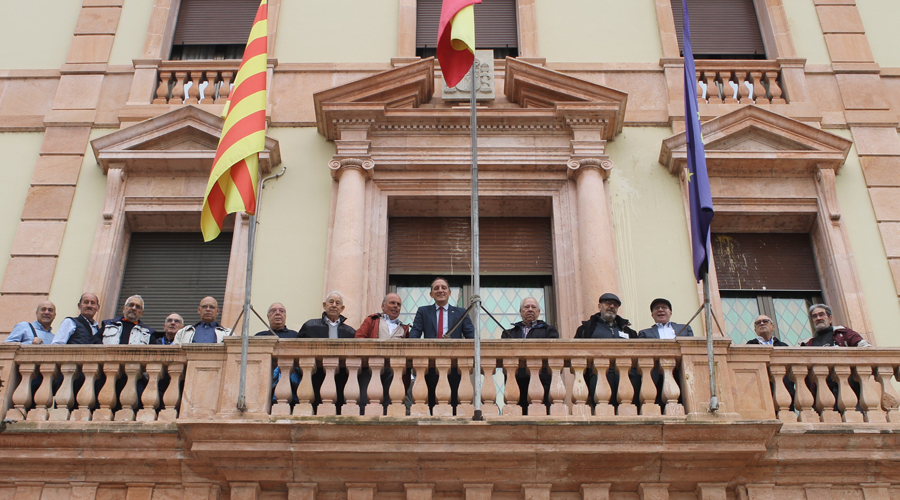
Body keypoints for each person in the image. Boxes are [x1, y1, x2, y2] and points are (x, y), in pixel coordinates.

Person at [500, 298, 559, 412]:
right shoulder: (509, 333)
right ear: (521, 311)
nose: (530, 309)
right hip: (516, 381)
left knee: (542, 414)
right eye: (527, 307)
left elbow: (552, 351)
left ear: (539, 311)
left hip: (542, 380)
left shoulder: (550, 331)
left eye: (533, 307)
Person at [409, 278, 474, 339]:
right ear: (431, 294)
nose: (440, 290)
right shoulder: (423, 312)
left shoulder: (461, 312)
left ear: (449, 293)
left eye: (444, 288)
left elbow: (472, 336)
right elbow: (415, 334)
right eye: (436, 288)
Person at [801, 303, 871, 347]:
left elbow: (864, 347)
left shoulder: (843, 332)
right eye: (814, 316)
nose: (818, 318)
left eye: (821, 314)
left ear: (830, 318)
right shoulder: (808, 344)